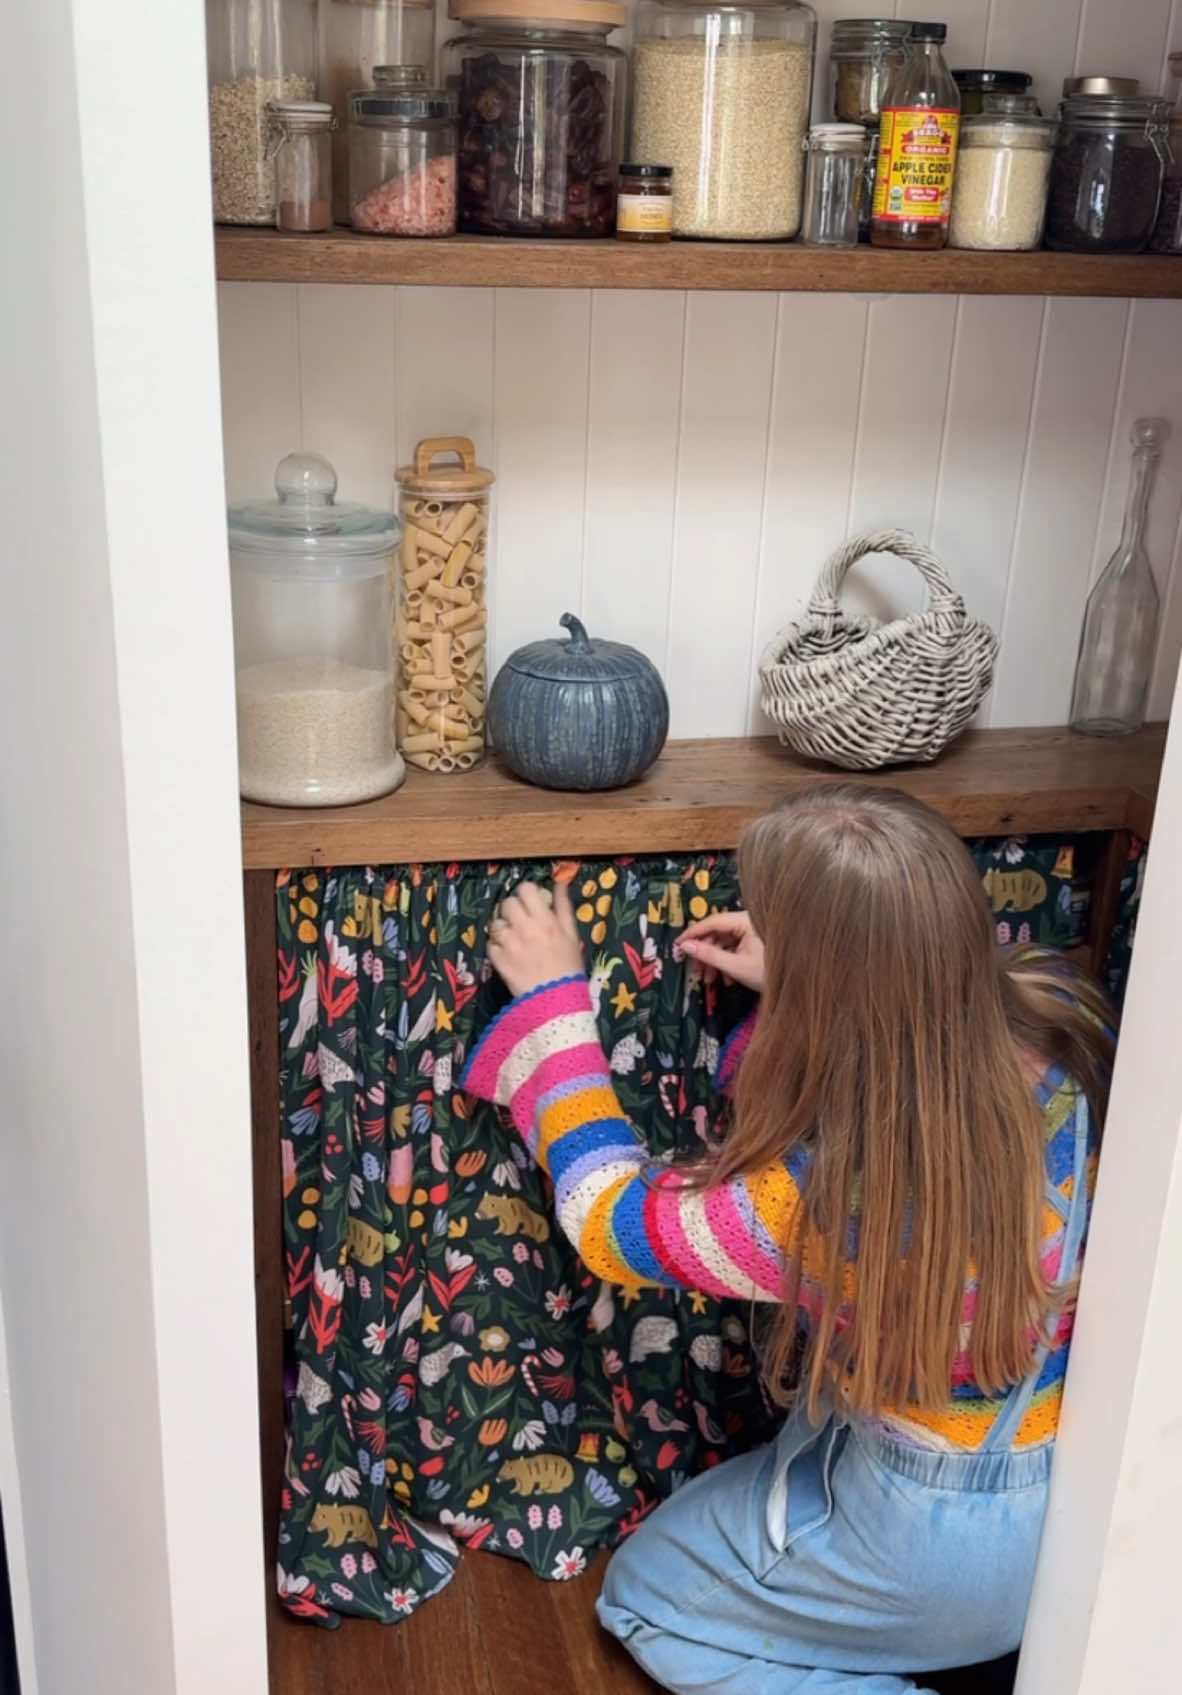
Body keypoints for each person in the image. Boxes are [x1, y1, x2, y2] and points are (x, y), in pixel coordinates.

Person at [462, 786, 1114, 1695]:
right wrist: (813, 974)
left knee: (644, 1595)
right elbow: (925, 997)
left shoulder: (811, 1199)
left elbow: (613, 1220)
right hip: (1072, 1526)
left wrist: (554, 1007)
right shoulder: (1069, 1028)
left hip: (912, 1548)